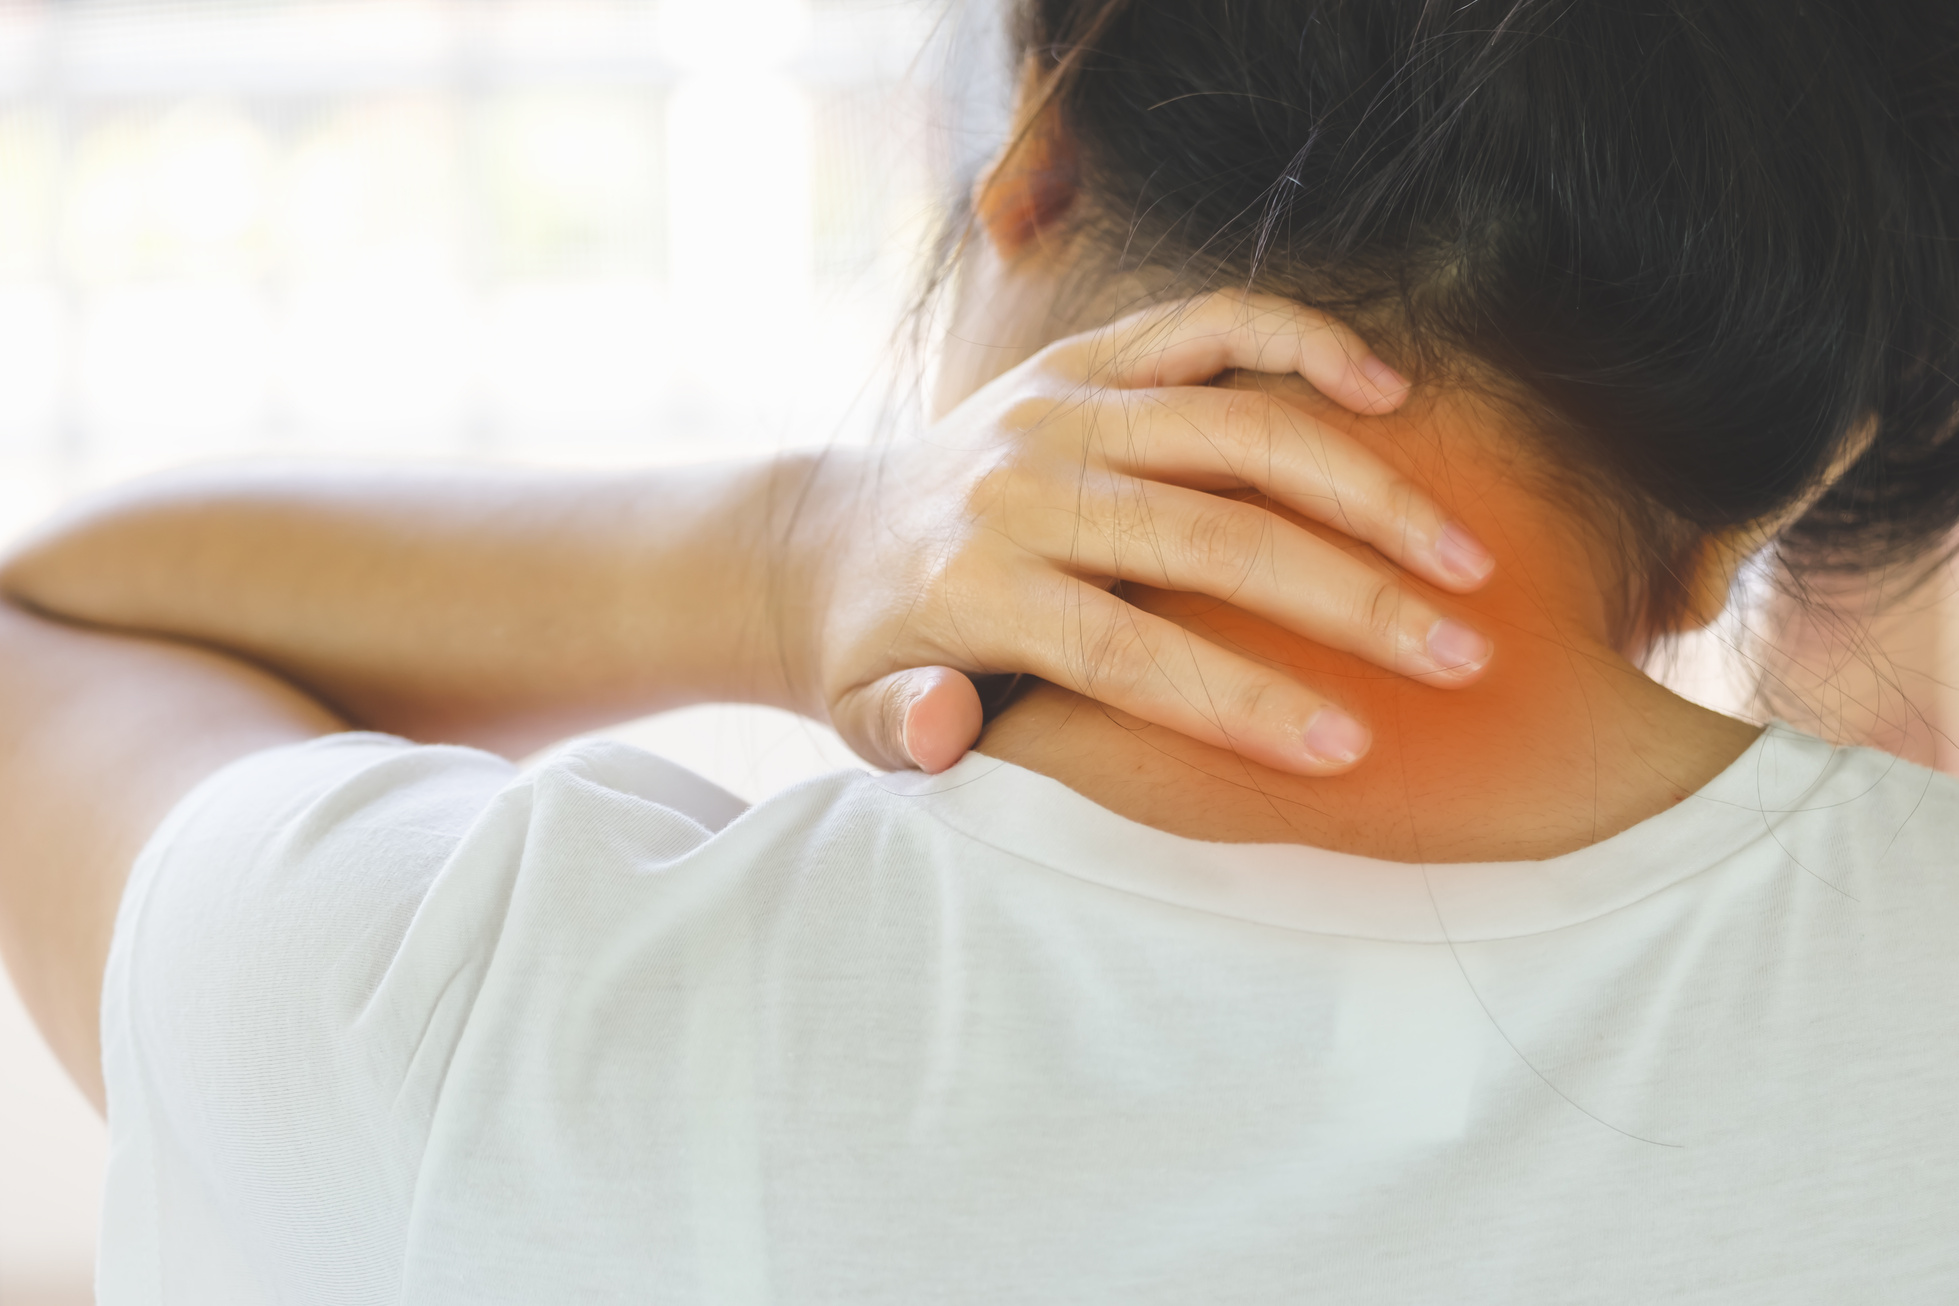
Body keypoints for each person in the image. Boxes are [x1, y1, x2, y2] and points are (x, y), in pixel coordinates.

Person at [2, 0, 1958, 1299]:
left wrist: (790, 552)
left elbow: (47, 619)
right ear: (1748, 507)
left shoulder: (476, 1017)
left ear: (1035, 144)